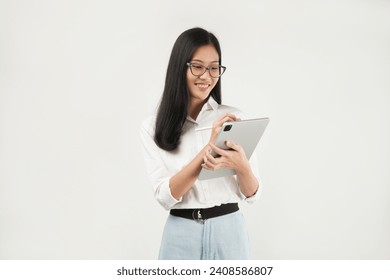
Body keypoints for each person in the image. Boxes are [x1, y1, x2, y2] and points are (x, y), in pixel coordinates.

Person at [140, 27, 261, 260]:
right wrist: (208, 150)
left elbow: (252, 194)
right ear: (180, 67)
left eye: (214, 68)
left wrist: (241, 166)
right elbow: (165, 197)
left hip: (229, 230)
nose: (206, 76)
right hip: (180, 234)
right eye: (197, 66)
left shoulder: (235, 119)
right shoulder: (152, 127)